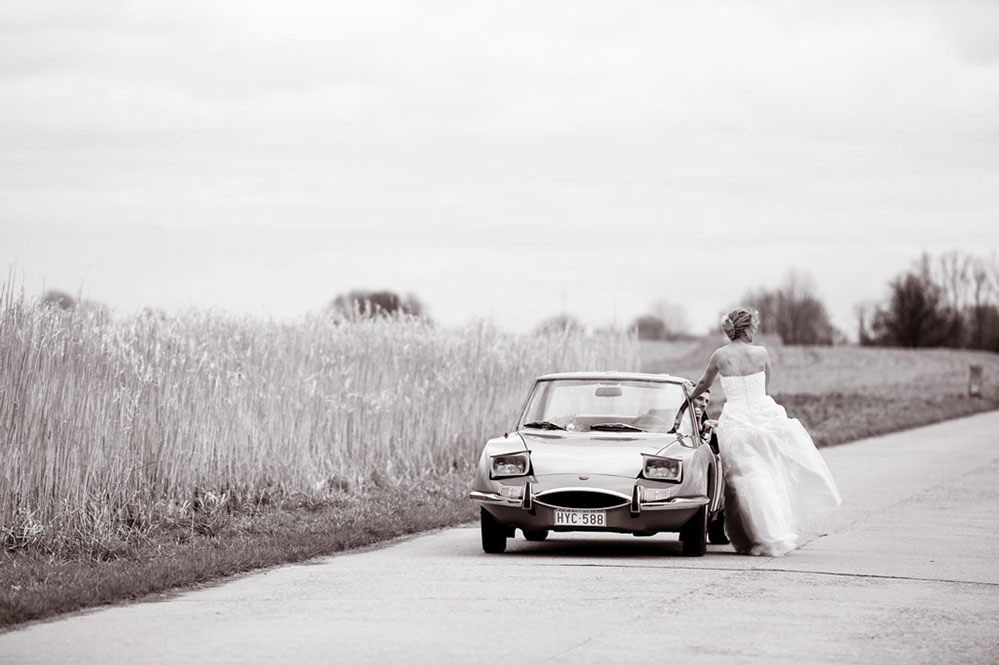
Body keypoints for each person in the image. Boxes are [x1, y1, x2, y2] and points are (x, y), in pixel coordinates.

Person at [684, 307, 842, 557]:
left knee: (750, 479)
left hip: (736, 422)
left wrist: (688, 398)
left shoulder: (720, 356)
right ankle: (772, 532)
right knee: (769, 474)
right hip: (765, 417)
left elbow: (704, 383)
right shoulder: (761, 353)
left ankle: (763, 533)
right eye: (754, 326)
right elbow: (765, 388)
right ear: (746, 329)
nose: (756, 331)